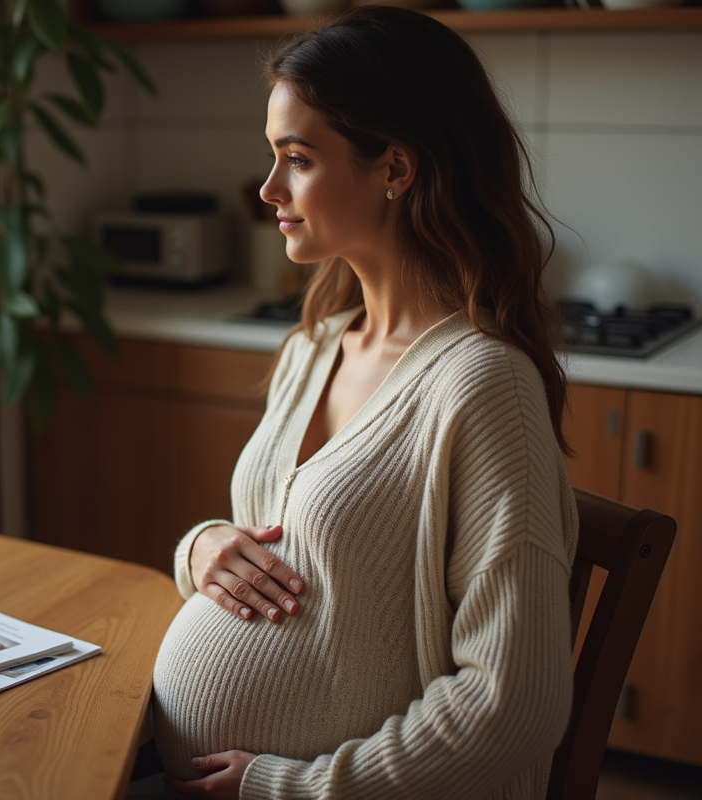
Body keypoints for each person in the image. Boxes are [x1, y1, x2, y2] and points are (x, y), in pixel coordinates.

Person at [150, 7, 578, 799]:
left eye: (298, 159)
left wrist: (292, 788)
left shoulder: (483, 387)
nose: (269, 188)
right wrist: (204, 548)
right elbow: (296, 551)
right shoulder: (317, 344)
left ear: (395, 169)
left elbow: (515, 704)